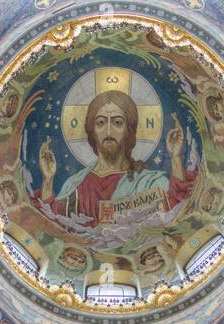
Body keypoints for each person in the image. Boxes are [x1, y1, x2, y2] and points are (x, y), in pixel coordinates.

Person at [37, 90, 195, 225]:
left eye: (117, 122)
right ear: (92, 130)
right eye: (100, 123)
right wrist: (48, 180)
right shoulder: (75, 185)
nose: (108, 132)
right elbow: (53, 225)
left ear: (128, 130)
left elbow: (177, 210)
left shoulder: (149, 182)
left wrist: (175, 158)